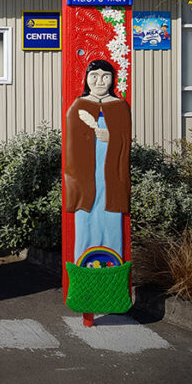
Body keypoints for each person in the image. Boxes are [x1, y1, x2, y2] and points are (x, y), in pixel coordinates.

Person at [64, 59, 131, 265]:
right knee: (85, 221)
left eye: (106, 76)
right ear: (86, 79)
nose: (100, 81)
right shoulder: (79, 106)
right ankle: (84, 272)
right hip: (85, 176)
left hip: (111, 175)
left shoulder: (119, 106)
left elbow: (126, 140)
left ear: (113, 79)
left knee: (111, 219)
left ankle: (112, 272)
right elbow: (72, 143)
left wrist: (111, 137)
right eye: (94, 76)